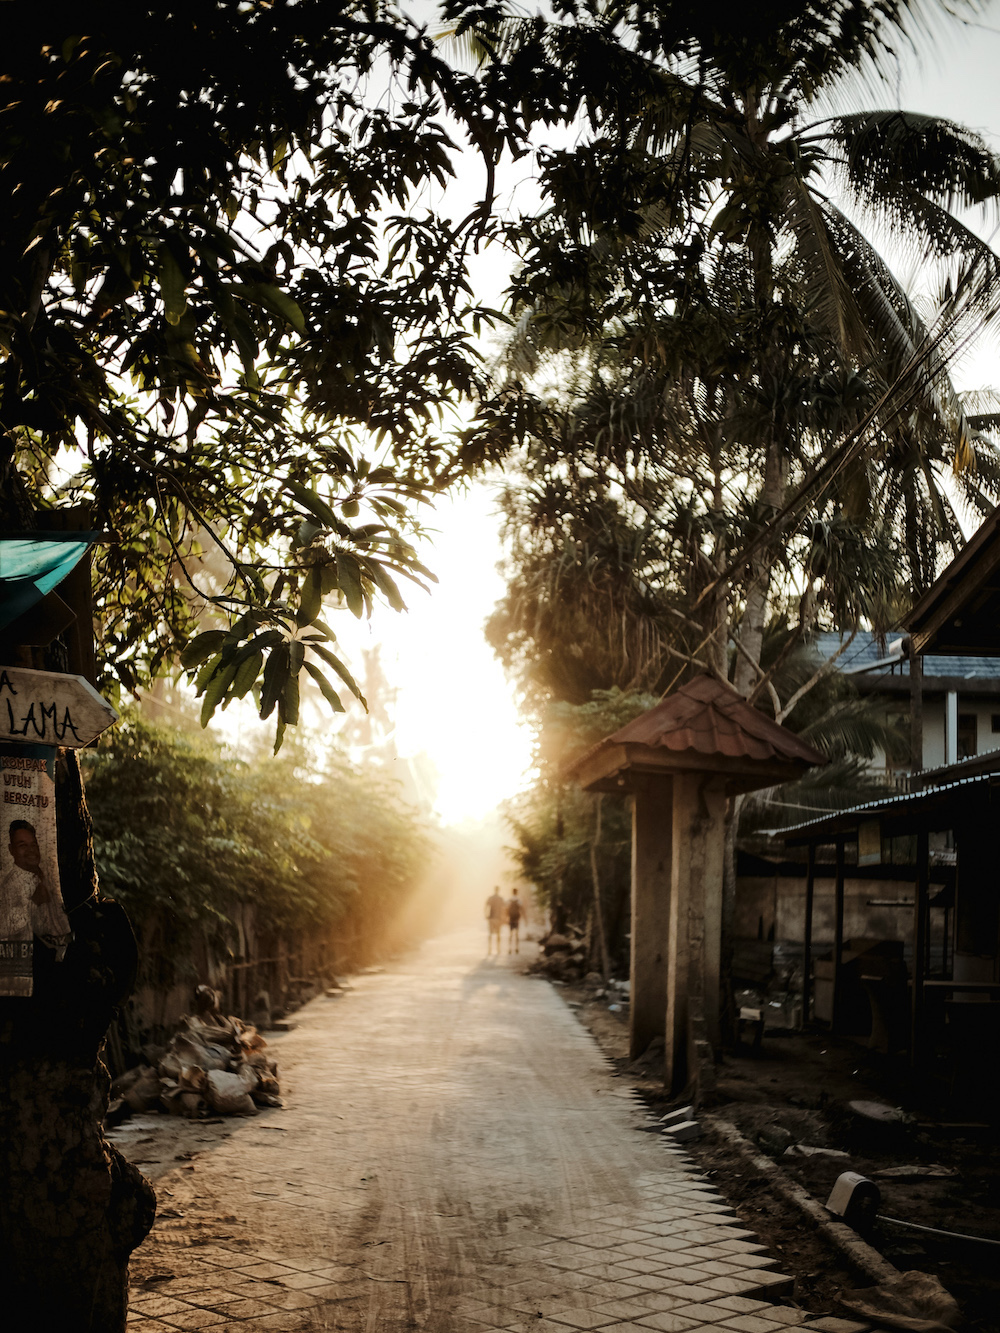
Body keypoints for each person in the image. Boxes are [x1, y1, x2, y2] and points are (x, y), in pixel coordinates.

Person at [0, 819, 70, 946]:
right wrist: (34, 902)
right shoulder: (10, 885)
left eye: (33, 845)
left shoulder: (42, 877)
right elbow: (4, 928)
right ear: (11, 850)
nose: (31, 850)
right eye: (23, 845)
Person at [484, 886, 506, 955]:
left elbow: (486, 906)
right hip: (498, 918)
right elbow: (503, 909)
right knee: (498, 934)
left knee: (490, 933)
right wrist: (503, 917)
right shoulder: (501, 899)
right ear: (498, 890)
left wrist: (486, 915)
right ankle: (498, 949)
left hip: (491, 917)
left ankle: (489, 949)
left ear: (494, 890)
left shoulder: (490, 898)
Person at [506, 888, 523, 954]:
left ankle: (509, 948)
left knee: (510, 934)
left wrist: (507, 917)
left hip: (511, 918)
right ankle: (516, 948)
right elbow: (521, 909)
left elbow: (506, 909)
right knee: (516, 934)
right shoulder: (518, 900)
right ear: (517, 892)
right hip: (516, 919)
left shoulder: (509, 900)